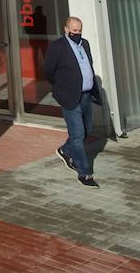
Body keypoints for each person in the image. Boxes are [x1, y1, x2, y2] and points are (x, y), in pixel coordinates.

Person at [42, 16, 101, 188]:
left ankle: (65, 151)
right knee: (77, 135)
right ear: (66, 29)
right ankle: (85, 173)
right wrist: (61, 88)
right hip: (69, 96)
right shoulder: (57, 47)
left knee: (86, 130)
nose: (77, 33)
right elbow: (48, 71)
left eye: (80, 30)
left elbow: (89, 65)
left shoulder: (85, 44)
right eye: (74, 31)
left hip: (86, 95)